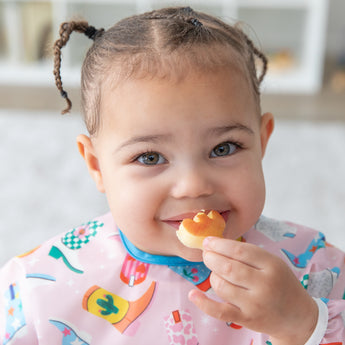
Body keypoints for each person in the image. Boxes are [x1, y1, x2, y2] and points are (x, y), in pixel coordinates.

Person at [1, 6, 345, 345]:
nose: (193, 185)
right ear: (96, 165)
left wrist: (305, 325)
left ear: (262, 140)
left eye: (223, 148)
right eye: (150, 157)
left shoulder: (315, 267)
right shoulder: (37, 290)